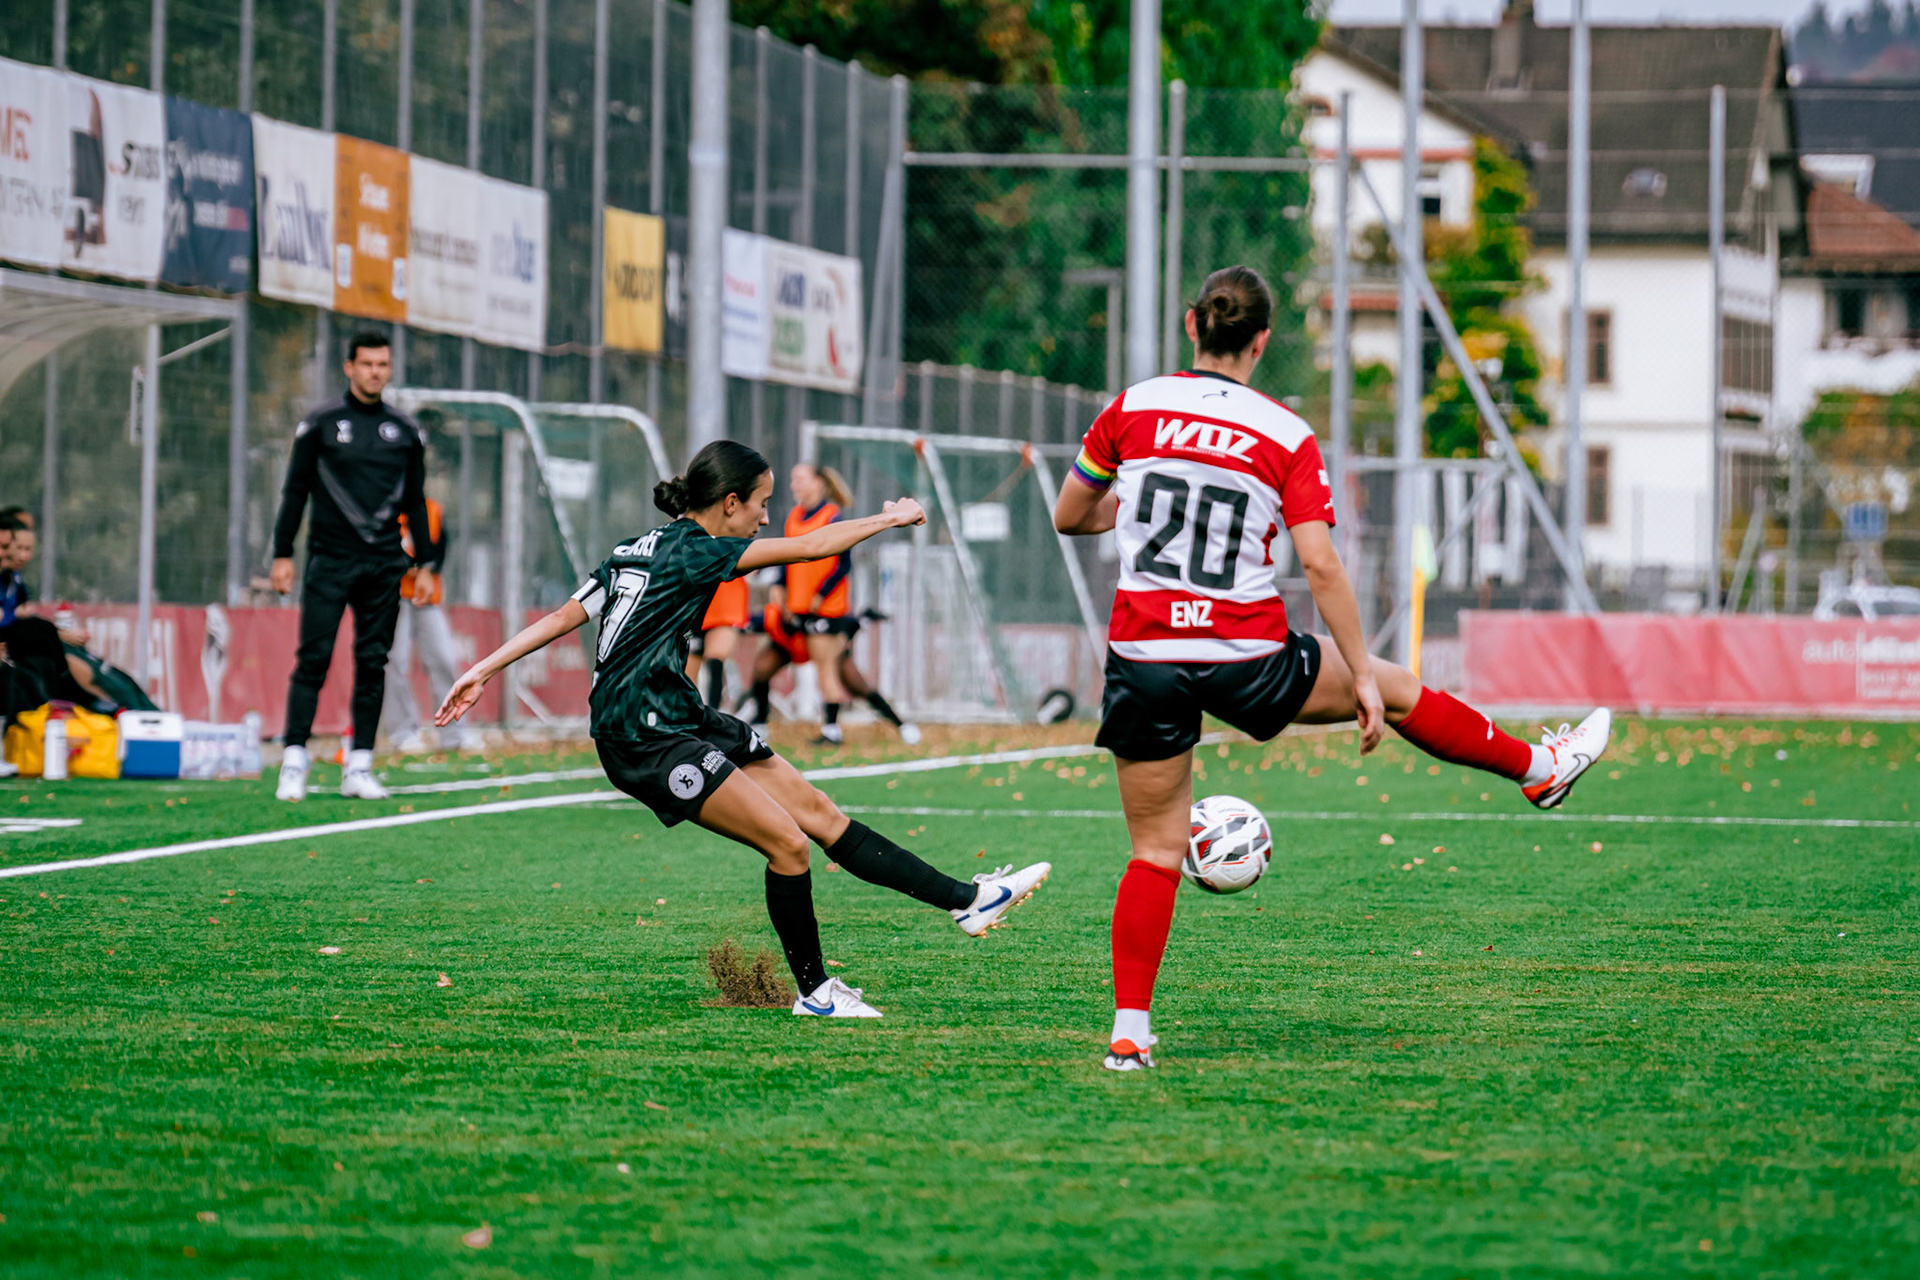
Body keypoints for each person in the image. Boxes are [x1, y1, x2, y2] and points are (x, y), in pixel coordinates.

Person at [1052, 265, 1613, 1072]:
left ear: (1192, 325)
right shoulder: (1283, 433)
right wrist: (1360, 675)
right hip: (1245, 654)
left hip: (1147, 656)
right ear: (1262, 341)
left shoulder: (1132, 408)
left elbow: (1071, 514)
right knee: (1398, 688)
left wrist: (1134, 507)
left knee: (1154, 851)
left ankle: (1130, 1035)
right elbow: (1318, 563)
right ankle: (1539, 770)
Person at [435, 440, 1049, 1018]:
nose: (765, 517)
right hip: (641, 738)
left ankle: (969, 902)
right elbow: (810, 547)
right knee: (788, 845)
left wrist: (480, 669)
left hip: (684, 715)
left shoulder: (634, 548)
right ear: (730, 503)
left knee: (819, 815)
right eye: (761, 503)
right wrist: (889, 519)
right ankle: (817, 994)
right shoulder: (698, 549)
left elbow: (561, 617)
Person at [270, 331, 435, 802]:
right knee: (313, 660)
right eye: (367, 364)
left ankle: (359, 764)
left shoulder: (405, 431)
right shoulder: (320, 424)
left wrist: (426, 563)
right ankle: (294, 760)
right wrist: (282, 554)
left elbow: (416, 500)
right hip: (329, 560)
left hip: (384, 564)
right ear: (349, 367)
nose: (375, 372)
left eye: (382, 365)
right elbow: (295, 490)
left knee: (373, 662)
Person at [737, 589, 921, 746]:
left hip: (826, 653)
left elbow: (849, 624)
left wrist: (863, 621)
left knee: (858, 685)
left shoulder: (817, 617)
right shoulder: (772, 616)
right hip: (789, 649)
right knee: (762, 667)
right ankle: (760, 722)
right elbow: (745, 623)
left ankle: (901, 725)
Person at [382, 496, 469, 754]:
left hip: (427, 596)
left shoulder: (432, 509)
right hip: (393, 595)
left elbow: (440, 550)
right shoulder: (385, 506)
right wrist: (407, 567)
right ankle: (403, 733)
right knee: (395, 662)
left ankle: (454, 734)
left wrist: (425, 569)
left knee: (444, 659)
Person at [686, 573, 749, 709]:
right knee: (686, 675)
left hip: (725, 612)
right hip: (694, 615)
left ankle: (713, 712)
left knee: (715, 661)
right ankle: (689, 713)